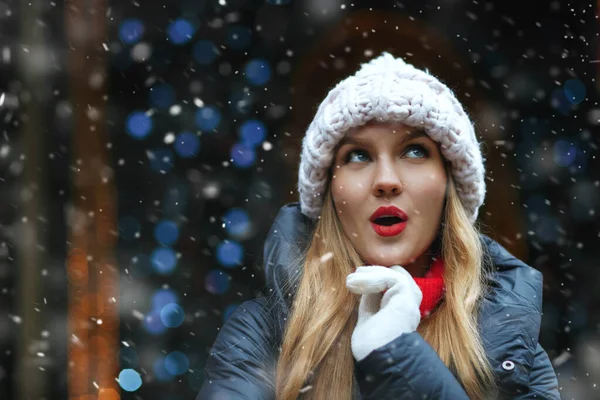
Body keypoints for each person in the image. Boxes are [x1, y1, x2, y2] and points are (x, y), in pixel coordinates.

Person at [197, 52, 560, 399]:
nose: (386, 180)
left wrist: (394, 356)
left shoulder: (510, 345)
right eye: (358, 156)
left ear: (449, 184)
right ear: (329, 196)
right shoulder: (262, 336)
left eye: (415, 150)